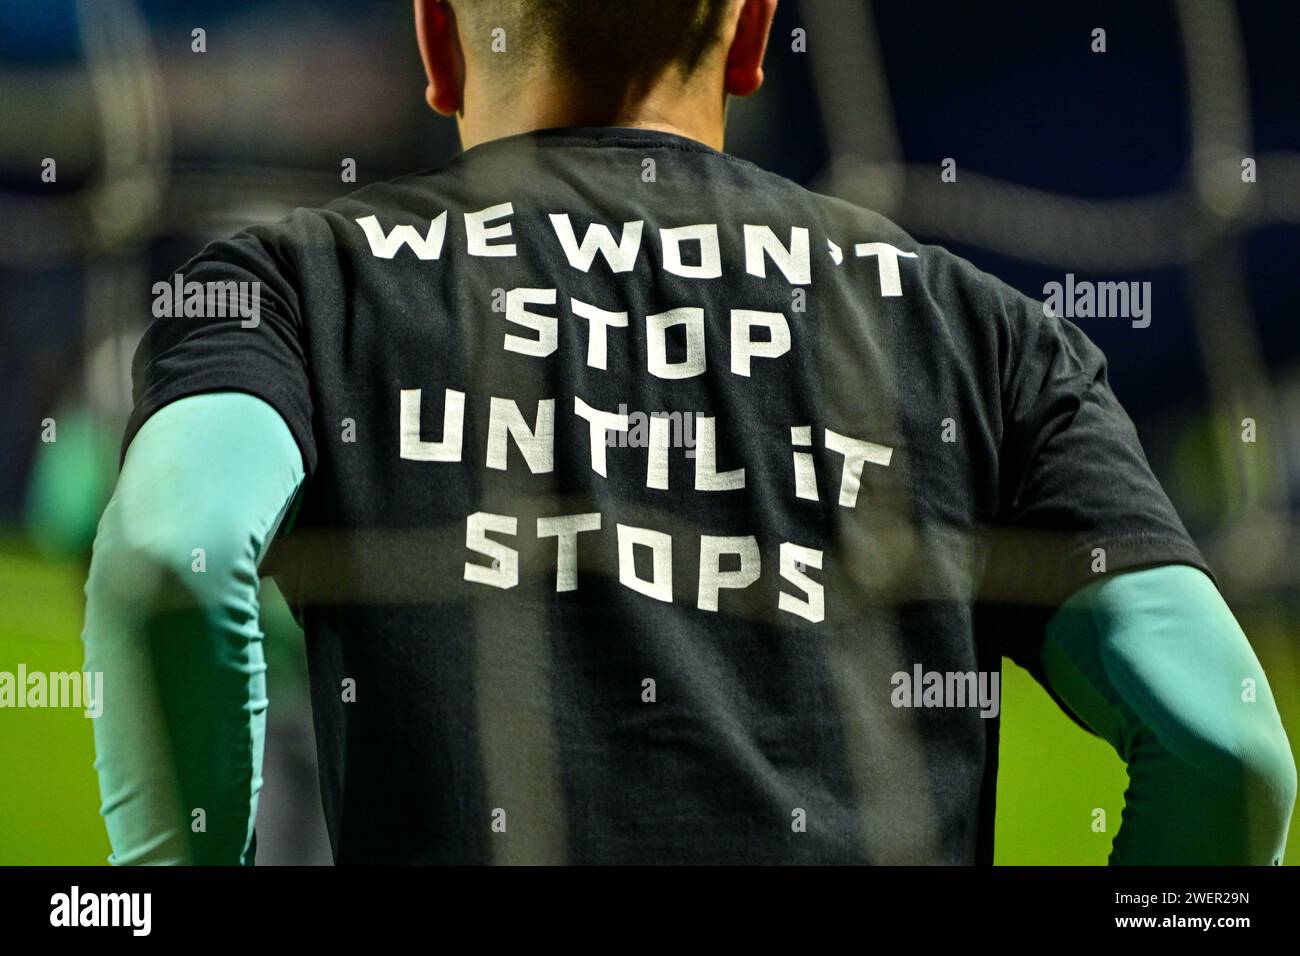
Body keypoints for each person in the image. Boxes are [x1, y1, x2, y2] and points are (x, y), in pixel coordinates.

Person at [82, 0, 1295, 864]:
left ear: (437, 41)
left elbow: (167, 560)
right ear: (757, 34)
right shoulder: (976, 329)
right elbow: (1226, 747)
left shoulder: (295, 279)